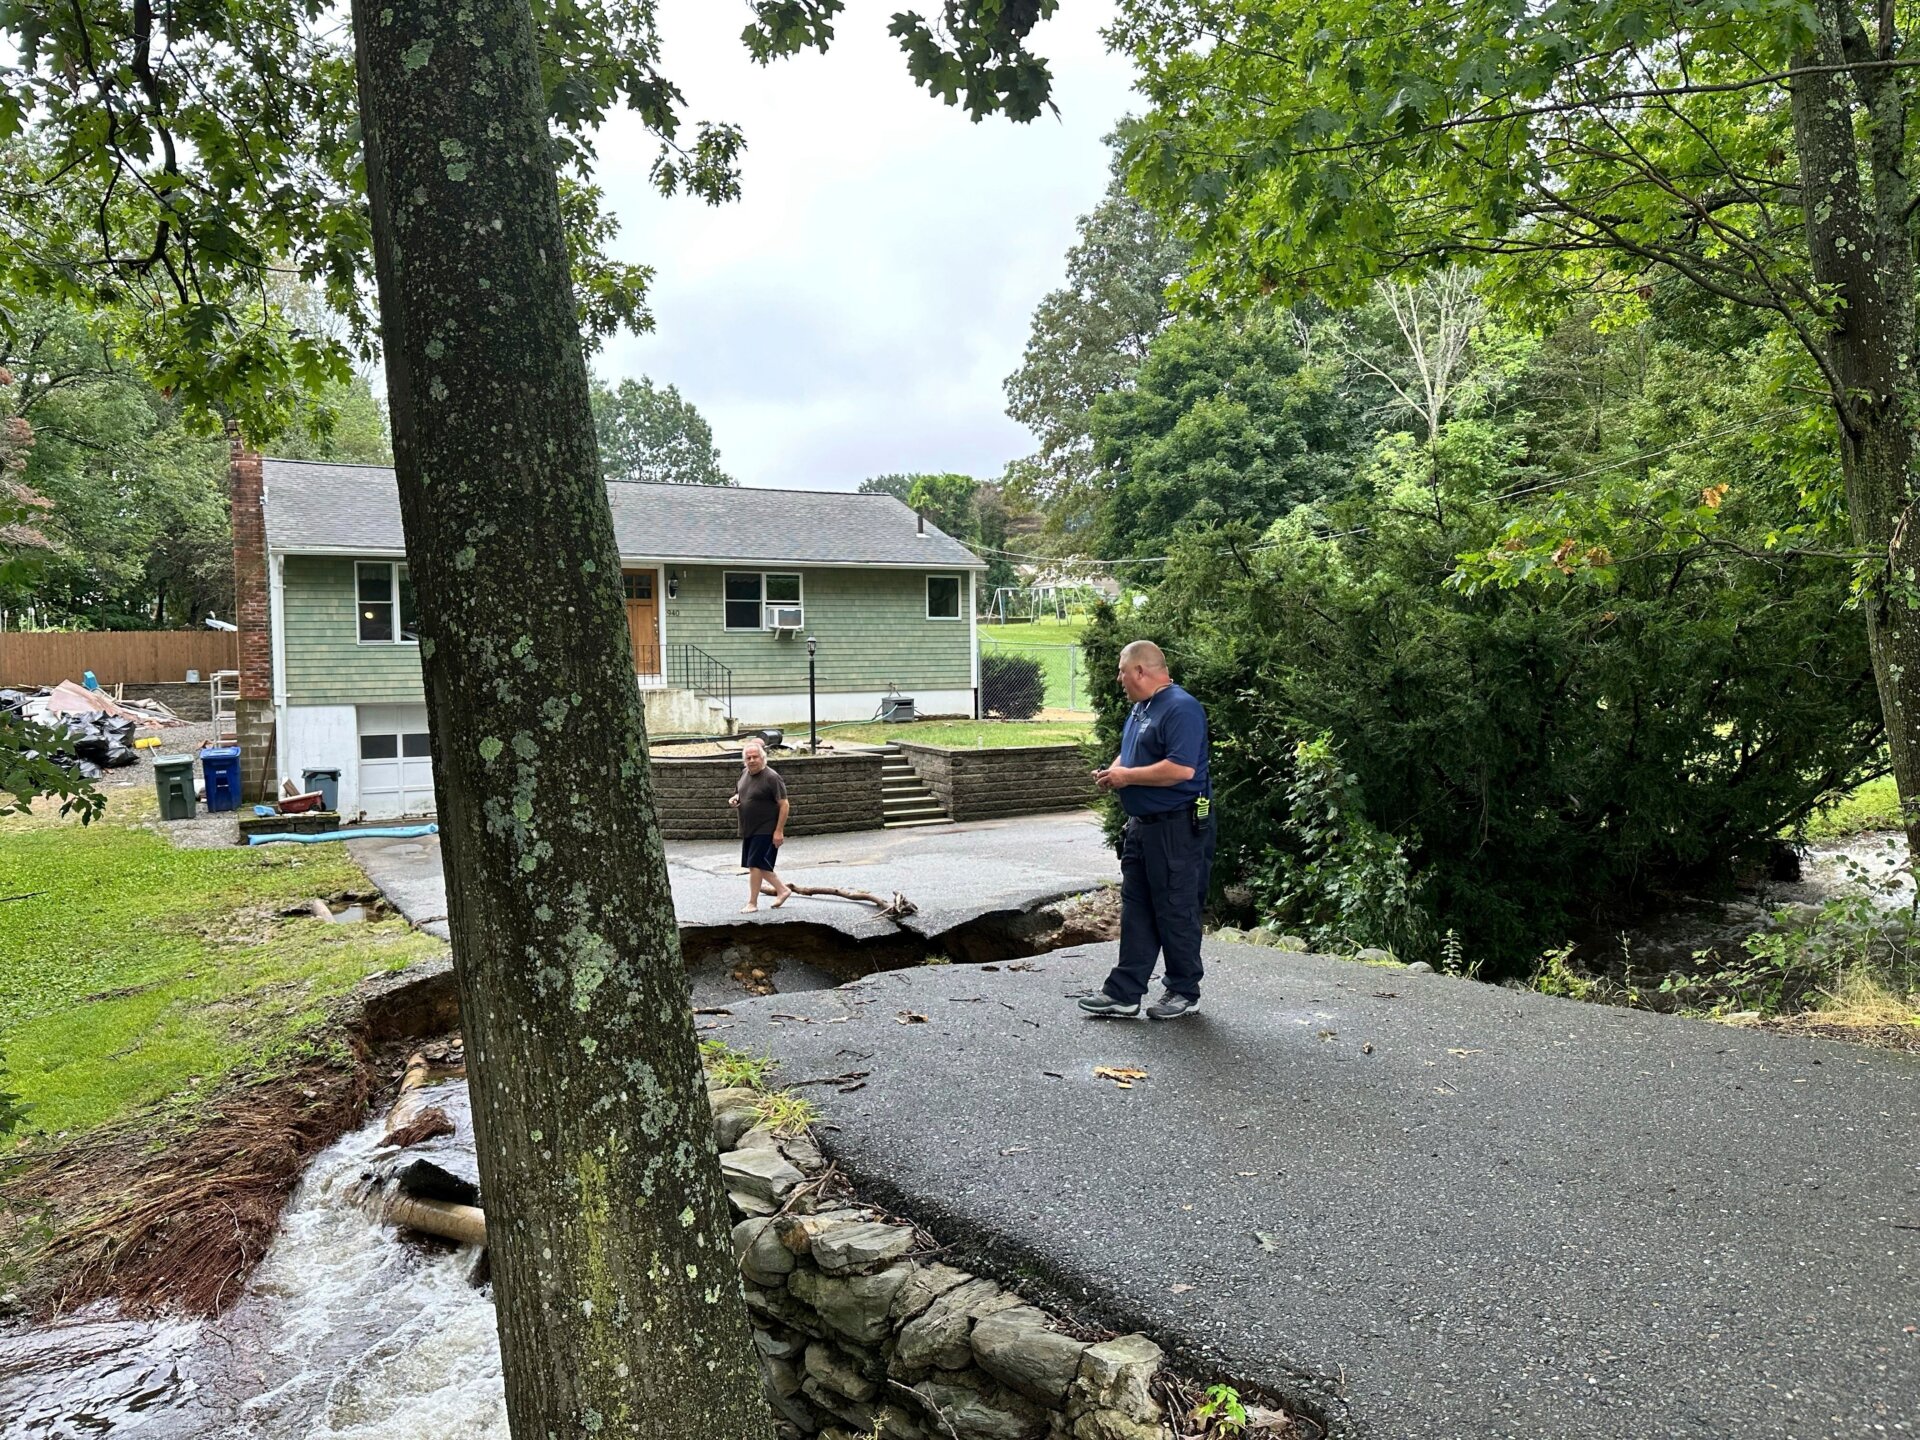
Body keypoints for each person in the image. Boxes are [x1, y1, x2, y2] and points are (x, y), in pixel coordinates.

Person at [1079, 640, 1213, 1020]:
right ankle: (1123, 993)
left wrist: (1127, 776)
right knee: (1136, 908)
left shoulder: (1181, 708)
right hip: (1142, 827)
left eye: (1122, 670)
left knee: (1175, 908)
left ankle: (1184, 991)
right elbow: (1133, 752)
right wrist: (1114, 770)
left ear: (1140, 670)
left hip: (1177, 826)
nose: (1118, 677)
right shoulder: (1141, 709)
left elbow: (1181, 769)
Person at [730, 738, 792, 913]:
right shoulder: (744, 773)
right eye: (748, 758)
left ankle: (752, 903)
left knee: (755, 865)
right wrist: (735, 799)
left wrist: (779, 831)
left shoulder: (772, 777)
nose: (752, 761)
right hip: (749, 828)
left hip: (766, 828)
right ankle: (782, 890)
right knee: (757, 864)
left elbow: (784, 804)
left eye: (755, 757)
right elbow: (739, 793)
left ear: (763, 757)